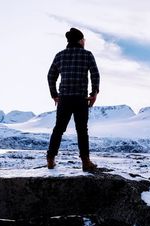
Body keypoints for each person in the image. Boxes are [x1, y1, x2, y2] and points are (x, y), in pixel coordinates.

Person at [46, 27, 99, 171]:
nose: (85, 42)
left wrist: (55, 95)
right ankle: (86, 162)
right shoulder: (87, 55)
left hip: (64, 99)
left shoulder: (60, 55)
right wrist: (94, 93)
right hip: (81, 99)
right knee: (82, 131)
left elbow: (51, 76)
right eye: (84, 40)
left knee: (58, 129)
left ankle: (50, 159)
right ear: (80, 40)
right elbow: (95, 75)